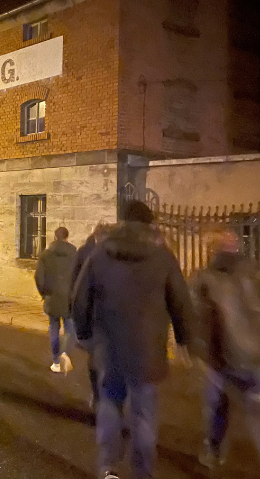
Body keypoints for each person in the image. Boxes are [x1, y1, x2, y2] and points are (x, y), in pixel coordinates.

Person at [72, 200, 193, 479]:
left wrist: (84, 333)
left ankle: (108, 467)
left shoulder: (101, 252)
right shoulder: (162, 256)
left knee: (109, 403)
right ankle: (143, 472)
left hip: (109, 347)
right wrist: (183, 339)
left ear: (122, 222)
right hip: (147, 350)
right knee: (143, 414)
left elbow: (79, 298)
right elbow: (180, 301)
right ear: (150, 223)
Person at [194, 229, 260, 470]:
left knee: (216, 407)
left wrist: (200, 352)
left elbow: (198, 318)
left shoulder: (205, 278)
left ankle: (213, 452)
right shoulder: (253, 272)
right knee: (256, 412)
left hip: (222, 356)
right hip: (255, 353)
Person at [71, 223, 114, 406]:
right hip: (98, 313)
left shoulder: (95, 253)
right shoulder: (88, 253)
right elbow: (77, 283)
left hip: (99, 313)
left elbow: (76, 284)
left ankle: (100, 397)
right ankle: (101, 397)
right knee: (100, 358)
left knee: (99, 357)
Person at [35, 226, 77, 374]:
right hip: (69, 299)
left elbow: (39, 278)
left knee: (54, 329)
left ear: (54, 237)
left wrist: (44, 293)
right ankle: (65, 352)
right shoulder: (75, 255)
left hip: (51, 297)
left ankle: (56, 362)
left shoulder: (45, 255)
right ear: (67, 238)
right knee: (70, 329)